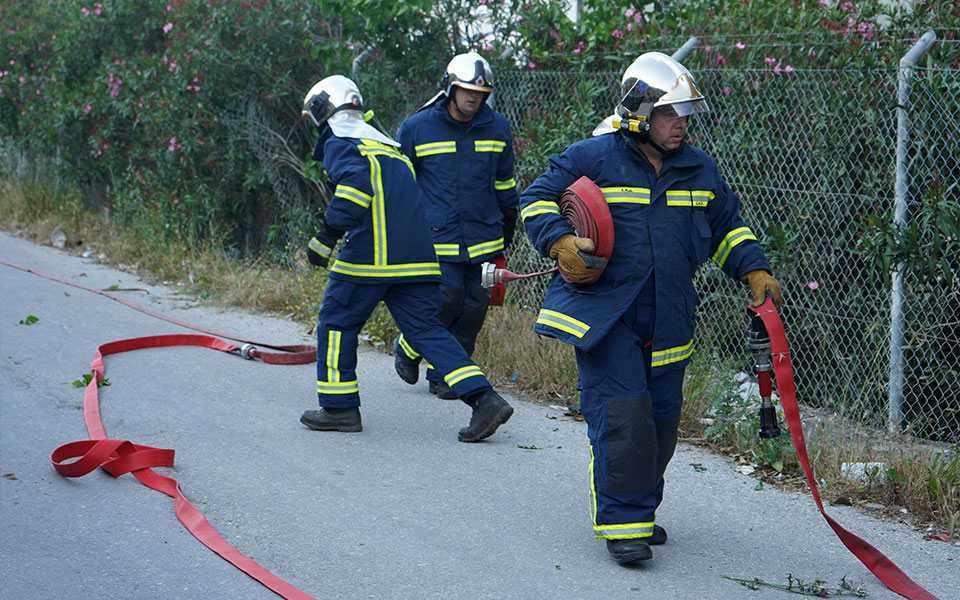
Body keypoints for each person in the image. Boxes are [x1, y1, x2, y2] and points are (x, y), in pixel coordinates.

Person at [518, 52, 782, 565]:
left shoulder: (699, 170)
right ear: (638, 111)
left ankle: (639, 509)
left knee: (660, 423)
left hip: (670, 319)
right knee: (623, 418)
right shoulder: (592, 157)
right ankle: (624, 525)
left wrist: (753, 268)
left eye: (685, 114)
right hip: (607, 317)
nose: (681, 124)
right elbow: (536, 198)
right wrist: (559, 243)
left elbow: (728, 228)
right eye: (669, 114)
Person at [299, 74, 513, 443]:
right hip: (418, 256)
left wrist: (325, 238)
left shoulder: (342, 140)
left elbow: (353, 189)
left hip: (371, 256)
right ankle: (485, 400)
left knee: (336, 321)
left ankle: (338, 408)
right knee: (427, 330)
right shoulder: (385, 145)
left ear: (323, 110)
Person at [391, 52, 520, 400]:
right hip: (436, 237)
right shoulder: (417, 128)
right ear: (449, 88)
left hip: (485, 235)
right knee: (446, 300)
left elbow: (506, 186)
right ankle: (408, 345)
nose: (473, 98)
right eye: (466, 91)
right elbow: (400, 185)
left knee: (474, 305)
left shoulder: (498, 128)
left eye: (479, 93)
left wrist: (507, 228)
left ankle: (446, 373)